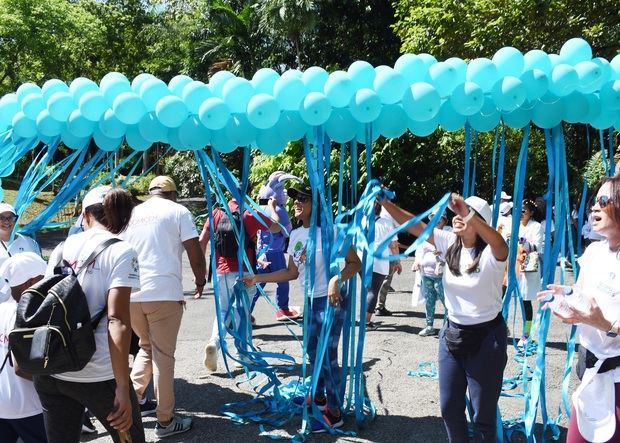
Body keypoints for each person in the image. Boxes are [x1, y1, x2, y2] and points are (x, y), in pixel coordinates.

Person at [382, 193, 508, 442]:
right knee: (449, 408)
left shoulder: (491, 254)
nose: (458, 217)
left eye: (467, 213)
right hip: (452, 334)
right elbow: (414, 224)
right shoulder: (449, 241)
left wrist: (468, 213)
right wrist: (385, 203)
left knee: (482, 415)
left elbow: (500, 243)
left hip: (487, 339)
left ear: (480, 220)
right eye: (458, 212)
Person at [242, 185, 361, 433]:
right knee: (312, 350)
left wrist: (336, 280)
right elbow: (291, 272)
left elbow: (355, 263)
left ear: (315, 205)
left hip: (330, 300)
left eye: (303, 198)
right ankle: (318, 397)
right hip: (310, 300)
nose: (296, 202)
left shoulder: (330, 231)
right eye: (295, 198)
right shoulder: (295, 235)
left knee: (328, 356)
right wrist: (257, 278)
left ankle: (335, 411)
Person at [38, 186, 144, 443]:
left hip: (53, 370)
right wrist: (121, 387)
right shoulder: (122, 251)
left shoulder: (62, 248)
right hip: (98, 374)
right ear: (121, 216)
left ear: (85, 216)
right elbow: (117, 321)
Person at [120, 176, 205, 438]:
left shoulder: (133, 213)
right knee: (163, 358)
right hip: (164, 294)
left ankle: (126, 409)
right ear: (174, 194)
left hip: (133, 294)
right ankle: (165, 421)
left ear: (151, 193)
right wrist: (200, 280)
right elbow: (194, 250)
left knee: (146, 347)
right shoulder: (179, 211)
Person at [539, 176, 620, 443]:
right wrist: (565, 300)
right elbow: (581, 297)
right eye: (594, 202)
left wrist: (604, 324)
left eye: (603, 201)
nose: (594, 208)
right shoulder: (594, 251)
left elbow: (603, 320)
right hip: (588, 376)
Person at [200, 195, 281, 372]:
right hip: (244, 273)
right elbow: (276, 226)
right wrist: (272, 207)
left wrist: (201, 271)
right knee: (242, 313)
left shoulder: (215, 213)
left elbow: (202, 241)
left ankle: (214, 342)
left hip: (220, 272)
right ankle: (241, 356)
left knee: (223, 310)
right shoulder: (249, 214)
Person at [0, 252, 48, 443]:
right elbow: (23, 368)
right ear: (29, 283)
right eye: (43, 280)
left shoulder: (1, 309)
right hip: (29, 406)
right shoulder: (29, 314)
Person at [250, 171, 301, 322]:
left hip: (261, 254)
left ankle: (246, 310)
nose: (284, 192)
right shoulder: (279, 210)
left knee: (258, 283)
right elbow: (288, 232)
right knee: (283, 282)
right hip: (276, 252)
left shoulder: (258, 209)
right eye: (281, 189)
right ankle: (283, 309)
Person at [362, 202, 399, 330]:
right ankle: (366, 322)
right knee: (373, 291)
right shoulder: (386, 223)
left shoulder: (362, 221)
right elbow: (393, 245)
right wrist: (397, 261)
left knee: (367, 290)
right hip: (378, 260)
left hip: (362, 259)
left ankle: (363, 319)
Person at [414, 211, 448, 337]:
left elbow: (453, 250)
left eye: (440, 218)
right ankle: (429, 326)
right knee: (429, 299)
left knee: (446, 300)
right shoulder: (426, 233)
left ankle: (448, 326)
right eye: (434, 218)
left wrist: (442, 253)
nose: (437, 220)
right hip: (426, 273)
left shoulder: (448, 233)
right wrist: (417, 262)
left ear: (445, 220)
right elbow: (419, 250)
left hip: (441, 274)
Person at [0, 203, 41, 303]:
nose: (6, 221)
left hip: (26, 302)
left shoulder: (29, 242)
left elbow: (40, 270)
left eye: (11, 218)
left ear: (15, 220)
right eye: (2, 217)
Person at [516, 199, 543, 346]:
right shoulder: (514, 224)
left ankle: (526, 335)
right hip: (512, 265)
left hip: (527, 267)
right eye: (518, 210)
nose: (520, 213)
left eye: (524, 210)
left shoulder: (536, 226)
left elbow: (536, 246)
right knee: (502, 296)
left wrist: (522, 241)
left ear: (531, 212)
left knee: (525, 302)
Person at [374, 206, 402, 316]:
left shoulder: (363, 218)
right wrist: (397, 260)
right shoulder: (390, 213)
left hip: (366, 257)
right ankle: (379, 306)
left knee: (370, 284)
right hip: (387, 255)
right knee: (385, 281)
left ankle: (367, 310)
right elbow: (393, 244)